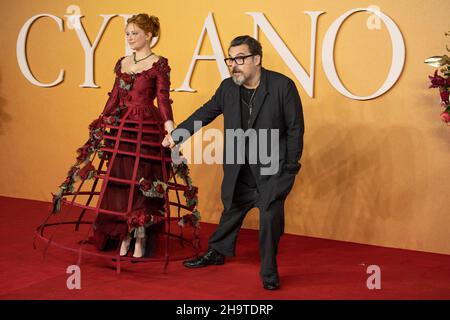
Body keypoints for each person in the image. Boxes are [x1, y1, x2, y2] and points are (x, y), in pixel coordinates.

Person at [162, 35, 304, 290]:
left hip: (272, 167)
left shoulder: (283, 86)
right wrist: (178, 135)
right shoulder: (228, 88)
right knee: (233, 209)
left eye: (240, 58)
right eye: (230, 59)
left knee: (270, 218)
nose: (233, 64)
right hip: (240, 166)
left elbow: (295, 129)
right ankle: (217, 251)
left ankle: (269, 273)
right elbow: (205, 113)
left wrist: (290, 168)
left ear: (256, 59)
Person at [52, 13, 180, 258]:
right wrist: (102, 121)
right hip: (123, 128)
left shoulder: (159, 63)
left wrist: (170, 126)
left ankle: (139, 235)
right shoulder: (123, 62)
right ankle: (123, 233)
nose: (130, 38)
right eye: (128, 33)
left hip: (146, 129)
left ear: (149, 35)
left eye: (135, 33)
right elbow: (114, 97)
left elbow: (162, 98)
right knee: (120, 180)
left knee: (143, 180)